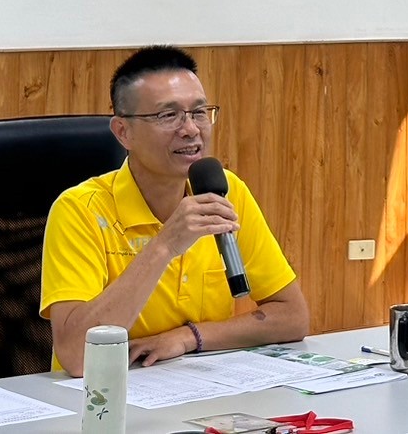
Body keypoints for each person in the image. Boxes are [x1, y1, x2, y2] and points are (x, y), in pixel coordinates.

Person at [40, 46, 309, 373]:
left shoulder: (225, 190)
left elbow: (292, 317)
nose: (191, 129)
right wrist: (165, 245)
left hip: (196, 387)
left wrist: (188, 337)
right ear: (123, 132)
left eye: (199, 112)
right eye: (168, 116)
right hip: (102, 392)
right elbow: (77, 357)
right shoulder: (79, 210)